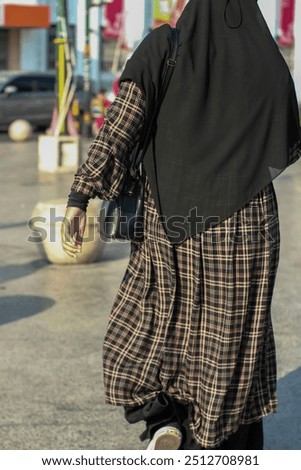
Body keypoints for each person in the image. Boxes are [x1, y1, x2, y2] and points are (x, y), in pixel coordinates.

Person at [61, 0, 301, 450]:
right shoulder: (266, 58)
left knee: (153, 325)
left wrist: (81, 195)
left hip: (174, 218)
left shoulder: (164, 46)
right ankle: (223, 442)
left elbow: (120, 125)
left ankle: (163, 419)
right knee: (230, 342)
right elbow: (287, 136)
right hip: (249, 224)